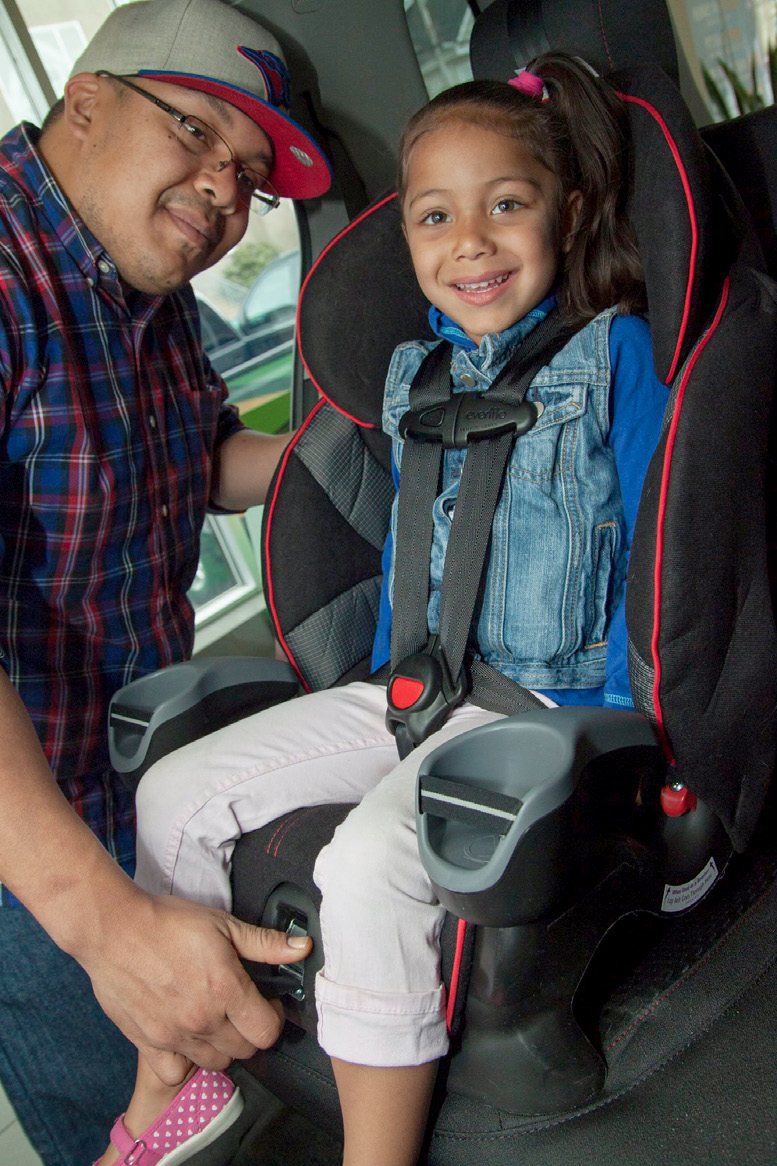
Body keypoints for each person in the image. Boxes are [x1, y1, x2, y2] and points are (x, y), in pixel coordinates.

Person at [112, 53, 670, 1166]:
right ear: (407, 241)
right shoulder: (408, 376)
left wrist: (646, 715)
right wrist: (363, 707)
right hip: (404, 686)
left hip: (548, 703)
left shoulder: (613, 354)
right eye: (435, 216)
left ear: (565, 212)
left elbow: (669, 541)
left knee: (365, 864)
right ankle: (177, 1069)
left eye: (505, 205)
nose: (470, 240)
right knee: (172, 793)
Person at [0, 0, 332, 1162]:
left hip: (130, 763)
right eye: (195, 131)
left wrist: (352, 458)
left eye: (248, 175)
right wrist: (102, 921)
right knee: (135, 1130)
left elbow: (193, 463)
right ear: (85, 101)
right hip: (23, 842)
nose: (223, 193)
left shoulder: (148, 285)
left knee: (207, 1117)